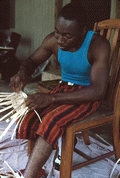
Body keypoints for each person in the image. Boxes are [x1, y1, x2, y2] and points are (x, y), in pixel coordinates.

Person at [9, 2, 110, 178]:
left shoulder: (98, 45)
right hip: (65, 88)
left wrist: (52, 99)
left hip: (87, 94)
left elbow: (98, 91)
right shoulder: (53, 40)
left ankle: (28, 176)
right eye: (57, 32)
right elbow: (31, 61)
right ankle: (36, 169)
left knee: (51, 119)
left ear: (83, 31)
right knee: (31, 112)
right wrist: (22, 74)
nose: (60, 39)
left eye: (67, 35)